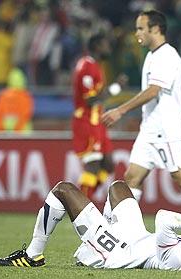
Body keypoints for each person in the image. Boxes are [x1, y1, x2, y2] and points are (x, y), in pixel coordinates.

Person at [101, 10, 181, 226]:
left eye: (141, 28)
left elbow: (154, 91)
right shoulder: (152, 55)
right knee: (132, 177)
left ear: (156, 29)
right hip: (150, 129)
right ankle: (118, 231)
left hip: (166, 129)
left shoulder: (167, 55)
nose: (136, 33)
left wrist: (120, 110)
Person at [0, 180, 181, 271]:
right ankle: (98, 228)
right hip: (136, 236)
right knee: (118, 187)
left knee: (63, 190)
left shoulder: (179, 260)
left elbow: (163, 218)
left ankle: (32, 255)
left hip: (118, 252)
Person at [72, 33, 115, 199]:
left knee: (108, 164)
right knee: (93, 165)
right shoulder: (86, 66)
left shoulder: (96, 66)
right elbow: (90, 100)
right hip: (86, 122)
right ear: (97, 46)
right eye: (106, 44)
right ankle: (81, 210)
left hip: (98, 122)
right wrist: (114, 89)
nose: (108, 48)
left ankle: (84, 201)